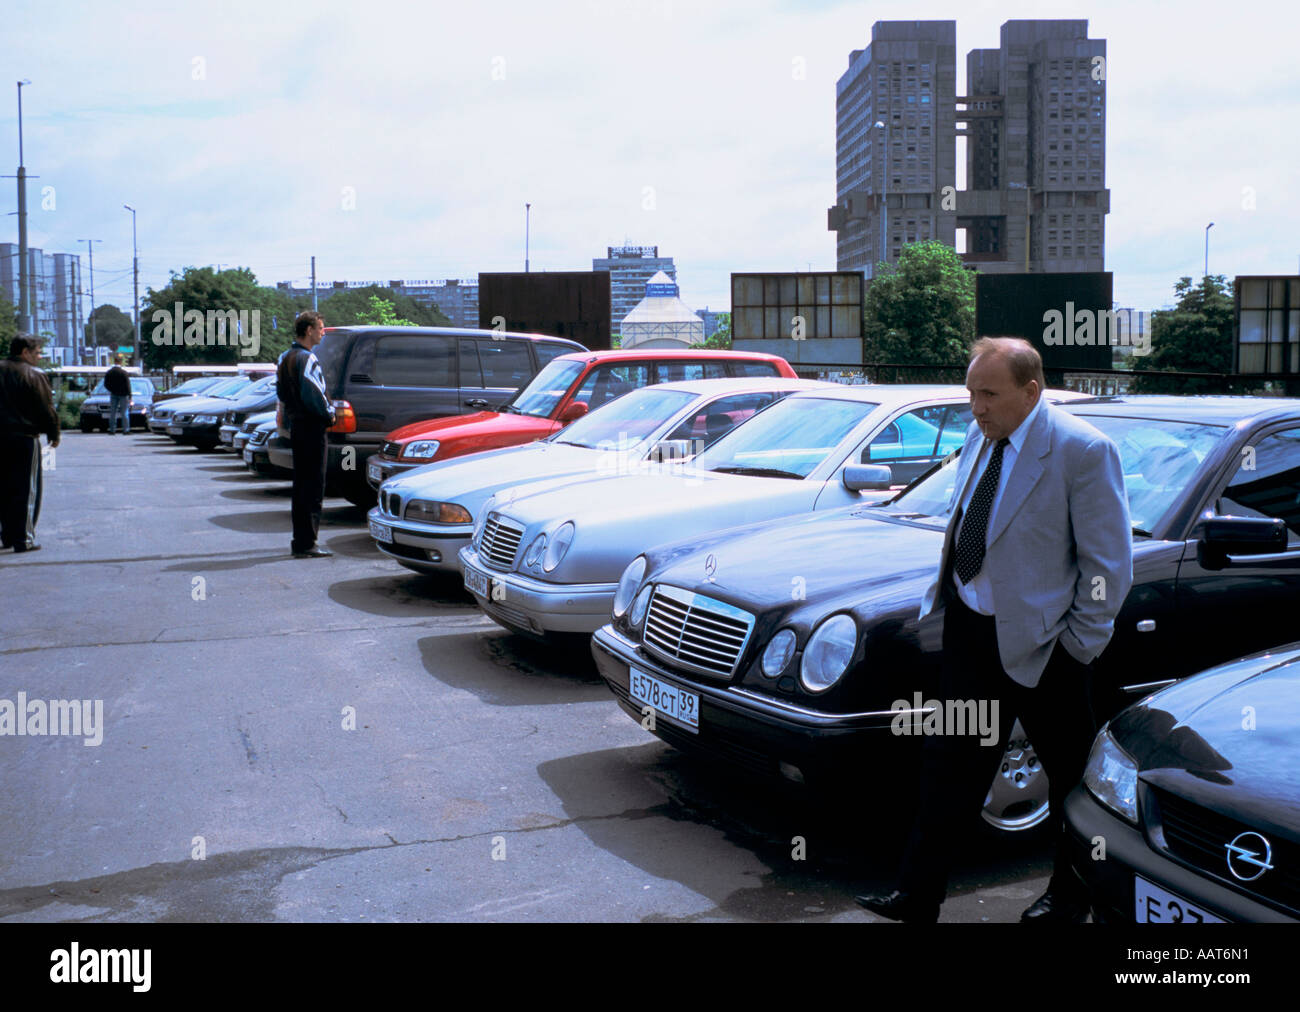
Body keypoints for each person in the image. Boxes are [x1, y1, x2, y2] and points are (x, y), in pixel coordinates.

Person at [856, 337, 1132, 923]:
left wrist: (1078, 646)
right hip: (971, 636)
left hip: (1046, 648)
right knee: (949, 768)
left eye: (988, 393)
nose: (975, 406)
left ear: (1031, 391)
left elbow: (1108, 566)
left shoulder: (1082, 450)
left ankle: (1069, 896)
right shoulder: (983, 439)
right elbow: (970, 524)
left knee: (1069, 780)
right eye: (970, 393)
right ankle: (917, 895)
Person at [277, 311, 335, 558]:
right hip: (312, 428)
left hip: (297, 427)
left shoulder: (285, 357)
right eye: (321, 328)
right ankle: (308, 543)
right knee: (313, 487)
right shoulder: (307, 358)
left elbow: (280, 393)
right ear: (309, 330)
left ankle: (299, 540)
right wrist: (330, 414)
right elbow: (316, 394)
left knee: (300, 486)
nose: (323, 332)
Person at [0, 335, 61, 552]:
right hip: (25, 438)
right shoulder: (35, 374)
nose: (39, 357)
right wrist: (54, 434)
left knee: (4, 489)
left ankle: (6, 536)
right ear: (25, 352)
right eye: (36, 353)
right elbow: (46, 408)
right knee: (26, 489)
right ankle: (23, 539)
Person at [104, 356, 133, 434]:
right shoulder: (124, 373)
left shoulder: (109, 372)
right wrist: (130, 395)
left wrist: (112, 389)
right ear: (121, 362)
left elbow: (105, 384)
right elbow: (128, 385)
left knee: (113, 412)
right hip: (123, 394)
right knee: (124, 412)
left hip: (113, 394)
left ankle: (112, 430)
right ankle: (126, 430)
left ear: (114, 362)